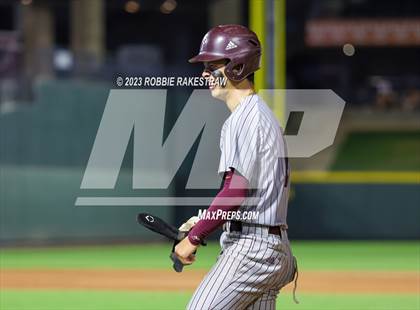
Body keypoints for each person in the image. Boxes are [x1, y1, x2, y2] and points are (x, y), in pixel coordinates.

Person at [175, 24, 297, 310]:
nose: (205, 73)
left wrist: (194, 237)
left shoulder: (246, 119)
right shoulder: (258, 115)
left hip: (253, 251)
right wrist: (205, 219)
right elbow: (249, 191)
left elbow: (235, 191)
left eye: (212, 64)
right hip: (269, 244)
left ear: (237, 66)